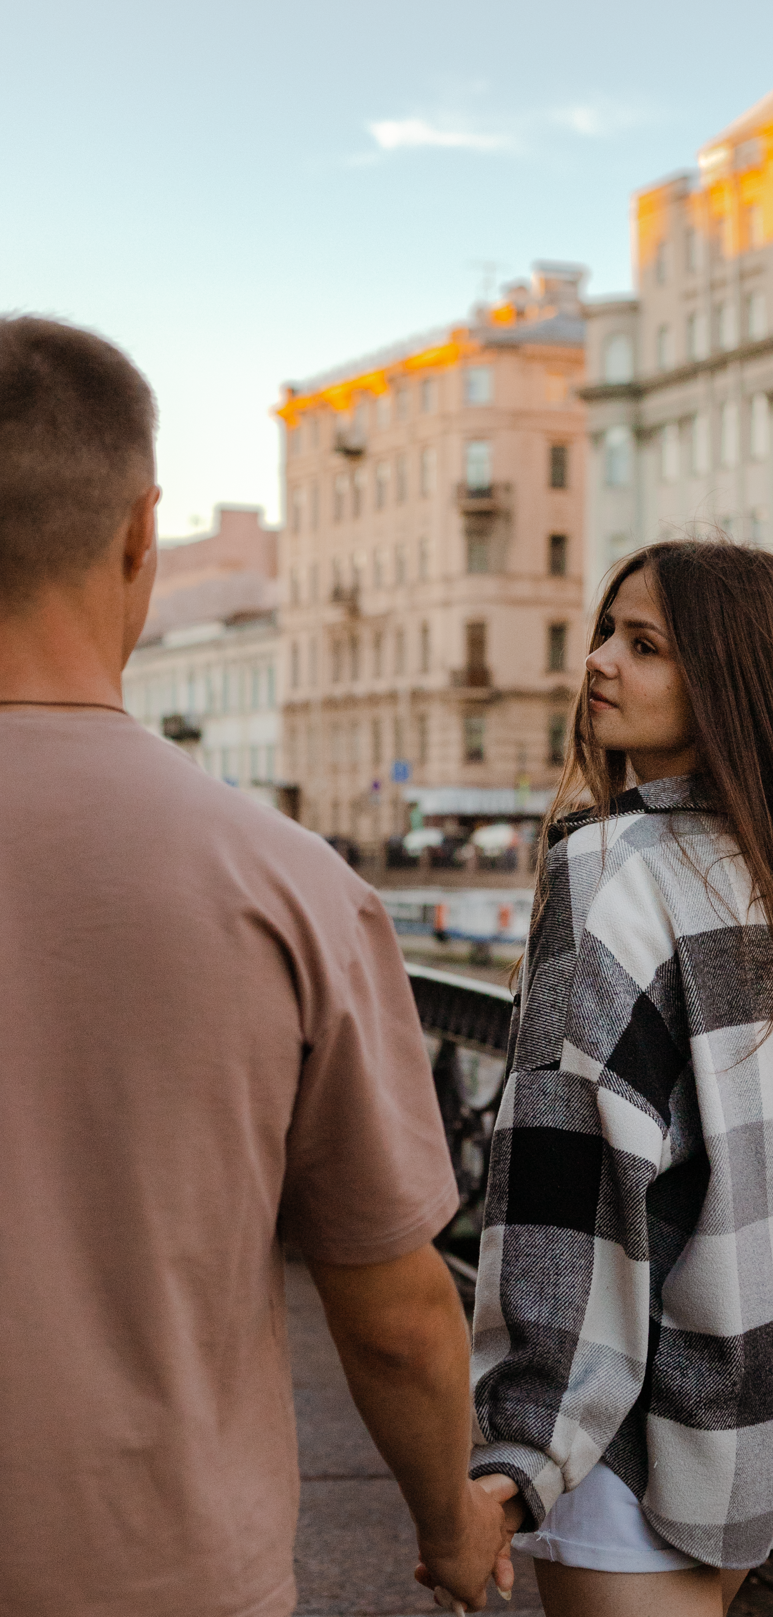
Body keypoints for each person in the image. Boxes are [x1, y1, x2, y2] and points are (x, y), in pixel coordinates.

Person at [0, 316, 509, 1617]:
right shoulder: (289, 886)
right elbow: (396, 1314)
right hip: (166, 1569)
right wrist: (452, 1526)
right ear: (138, 536)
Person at [465, 540, 773, 1617]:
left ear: (727, 679)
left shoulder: (607, 870)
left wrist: (520, 1452)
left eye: (643, 646)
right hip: (770, 1409)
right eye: (607, 633)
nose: (596, 663)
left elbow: (574, 1180)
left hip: (630, 1438)